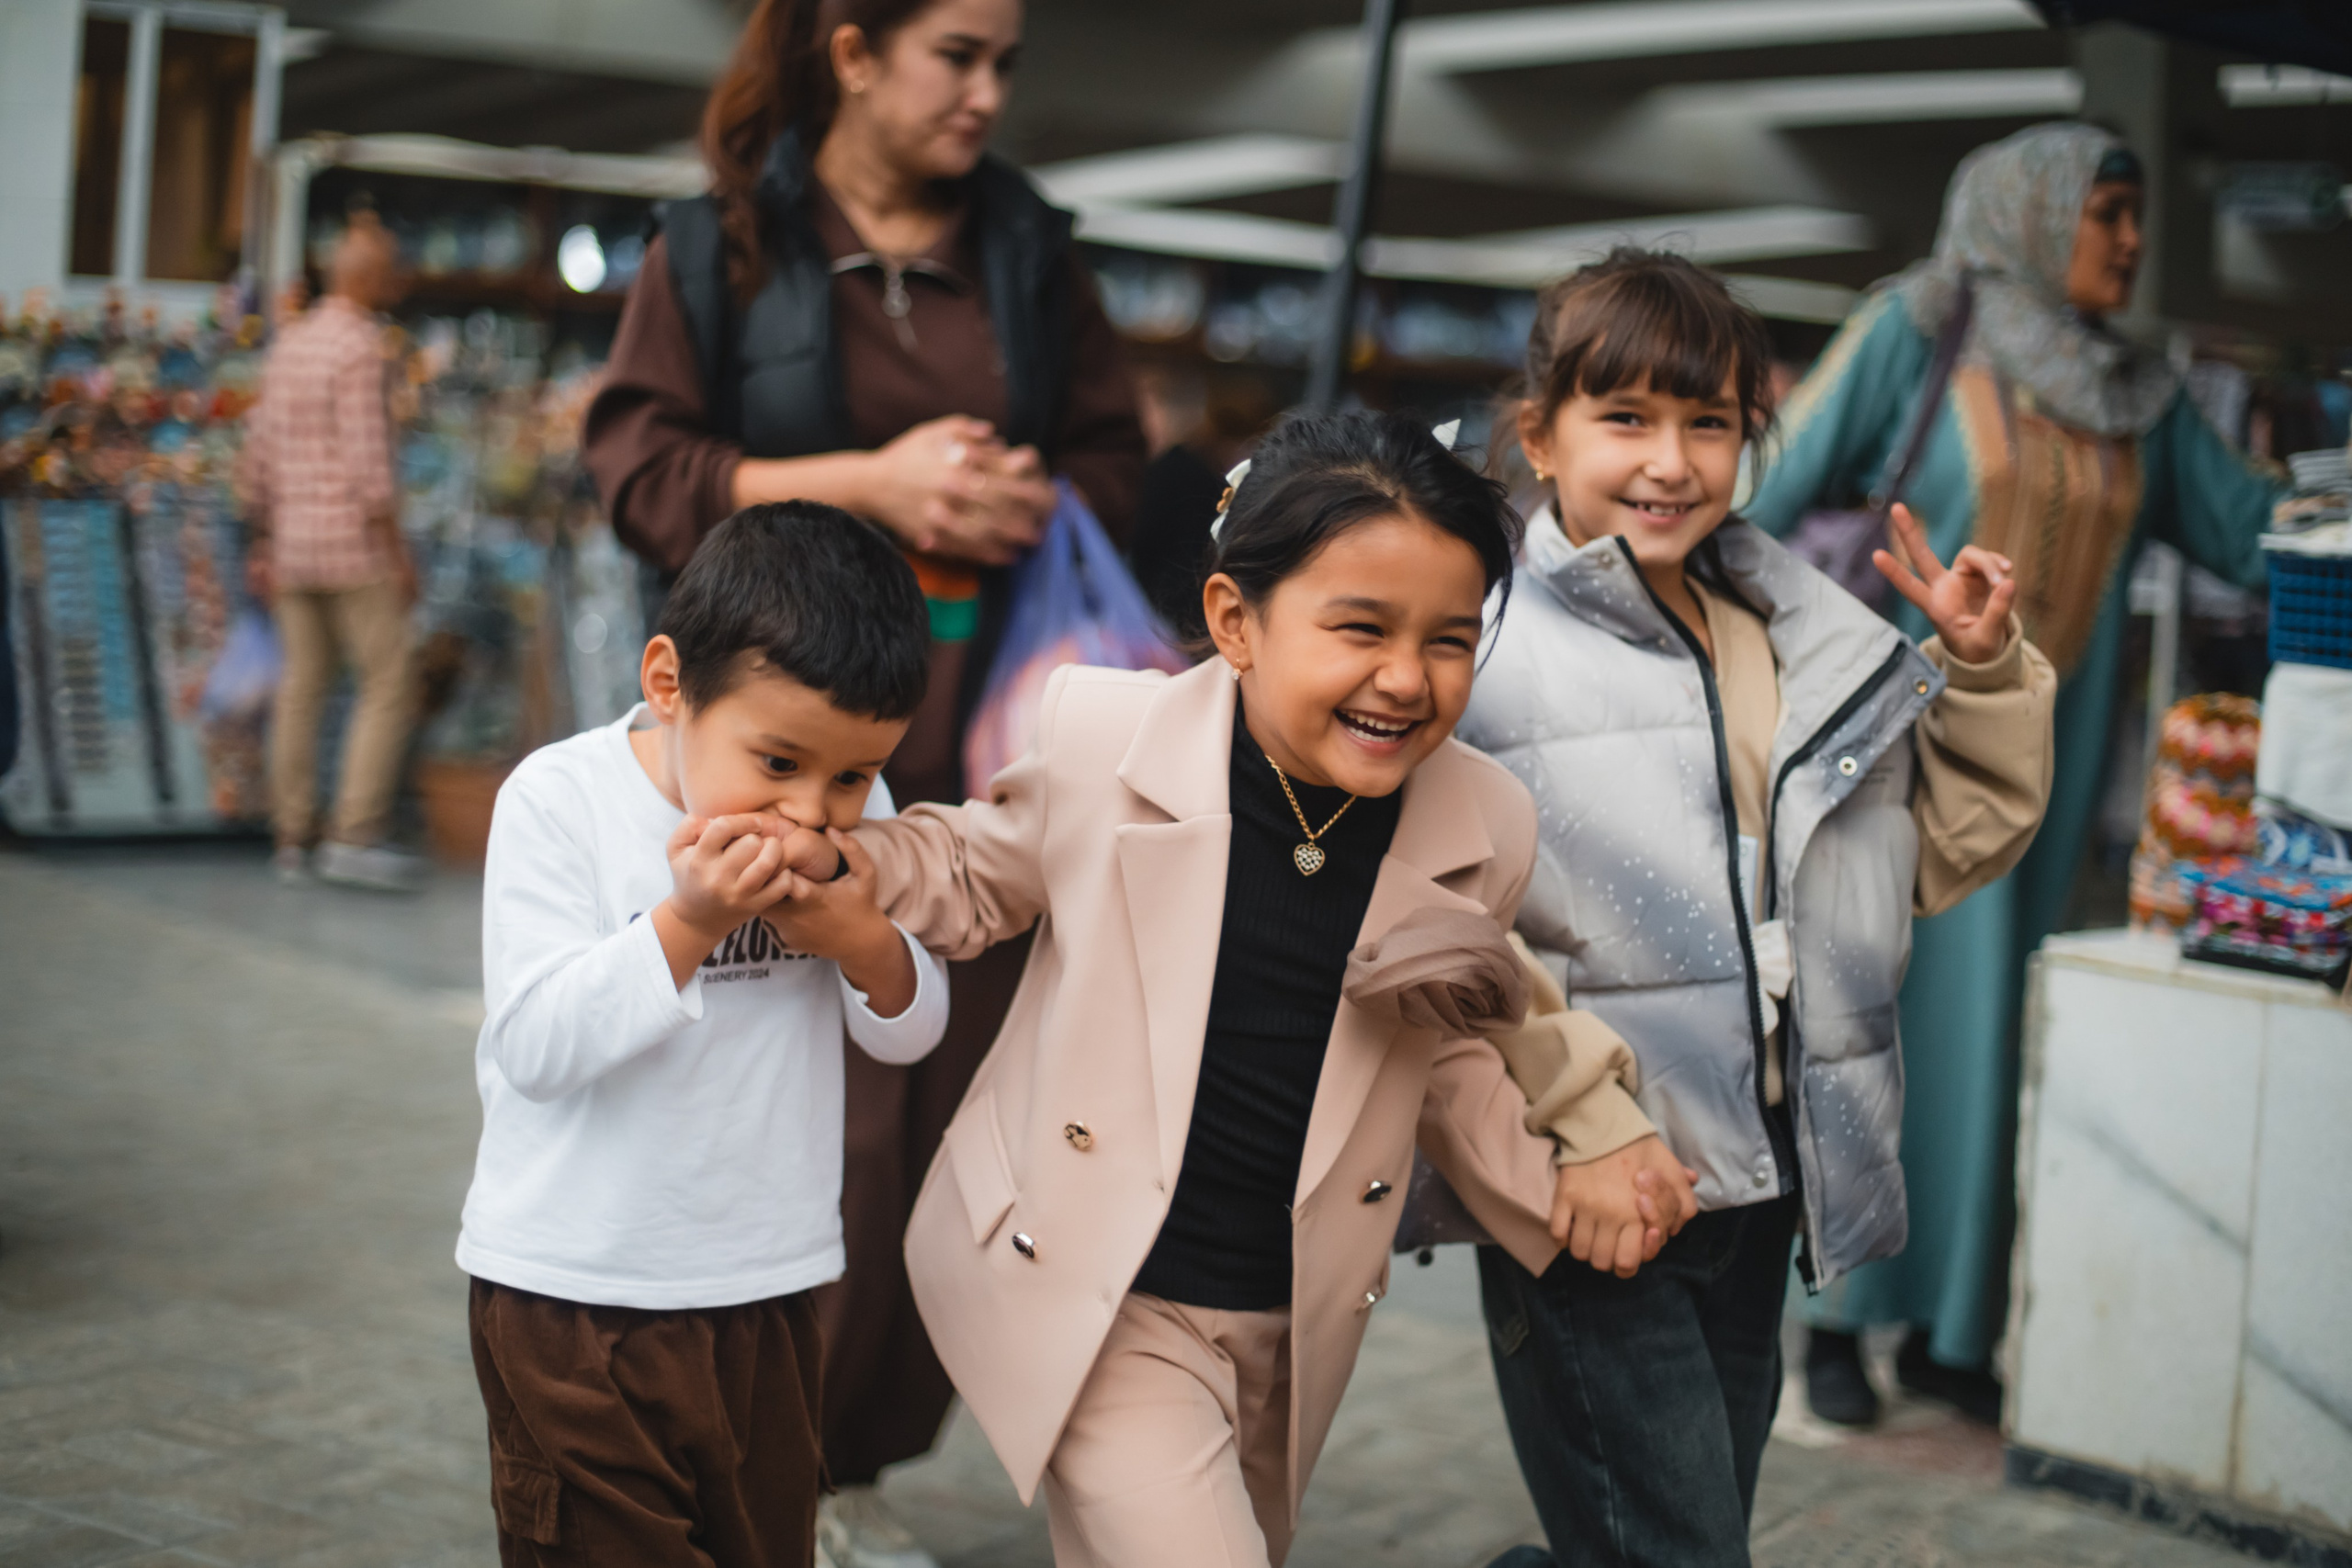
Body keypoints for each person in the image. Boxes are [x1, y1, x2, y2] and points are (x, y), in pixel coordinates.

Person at [773, 411, 1604, 1567]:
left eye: (1451, 641)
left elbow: (1444, 1052)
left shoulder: (1482, 823)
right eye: (1359, 628)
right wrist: (844, 861)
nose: (1404, 679)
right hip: (1101, 1292)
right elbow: (968, 870)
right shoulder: (1102, 735)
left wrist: (1565, 1195)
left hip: (1294, 1314)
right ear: (1235, 621)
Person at [582, 6, 1145, 1551]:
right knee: (777, 1112)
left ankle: (831, 1473)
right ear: (849, 47)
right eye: (956, 51)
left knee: (934, 1115)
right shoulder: (720, 246)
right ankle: (730, 1470)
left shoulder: (1029, 244)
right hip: (776, 768)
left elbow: (1117, 458)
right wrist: (867, 485)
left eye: (1005, 62)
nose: (988, 91)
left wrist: (1032, 493)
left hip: (983, 758)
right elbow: (639, 467)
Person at [1454, 247, 2056, 1566]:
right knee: (1681, 1545)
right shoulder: (1479, 646)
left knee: (1681, 1523)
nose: (1671, 459)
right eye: (1626, 418)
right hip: (1591, 1184)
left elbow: (1939, 851)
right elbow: (1448, 922)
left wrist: (1983, 671)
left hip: (1763, 1178)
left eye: (1709, 422)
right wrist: (1579, 1117)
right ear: (1539, 436)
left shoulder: (1801, 628)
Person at [1740, 123, 2286, 1427]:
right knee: (1861, 1020)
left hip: (2036, 766)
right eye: (2110, 213)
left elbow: (2253, 535)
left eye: (2135, 215)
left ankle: (1952, 1327)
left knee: (1995, 1047)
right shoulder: (1919, 326)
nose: (2134, 242)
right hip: (1885, 753)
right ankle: (1831, 1313)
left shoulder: (2137, 391)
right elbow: (1765, 493)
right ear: (2038, 214)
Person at [457, 502, 950, 1568]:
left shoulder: (856, 830)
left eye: (852, 776)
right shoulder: (560, 800)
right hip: (575, 1297)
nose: (815, 811)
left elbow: (911, 1033)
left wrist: (863, 940)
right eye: (777, 763)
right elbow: (534, 1044)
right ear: (671, 684)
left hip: (767, 1289)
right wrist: (687, 925)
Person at [236, 211, 424, 893]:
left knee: (301, 686)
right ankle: (354, 831)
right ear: (371, 278)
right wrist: (399, 553)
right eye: (392, 269)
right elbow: (371, 467)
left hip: (291, 544)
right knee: (387, 680)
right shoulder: (362, 347)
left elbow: (256, 452)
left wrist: (262, 536)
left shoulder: (290, 343)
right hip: (352, 545)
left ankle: (291, 834)